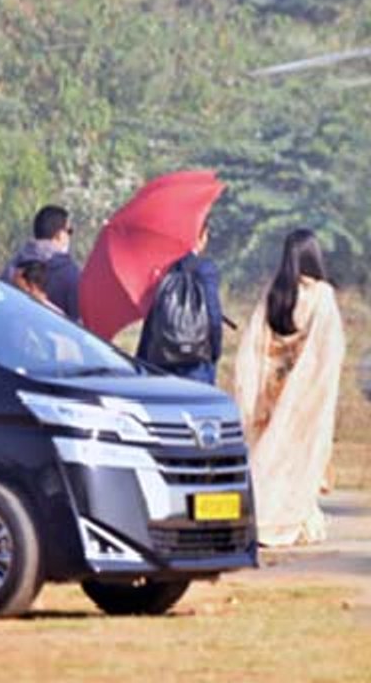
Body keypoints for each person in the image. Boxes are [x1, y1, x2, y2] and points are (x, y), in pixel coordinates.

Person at [234, 229, 346, 547]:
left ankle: (263, 517)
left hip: (270, 390)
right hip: (304, 395)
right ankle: (284, 522)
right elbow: (329, 349)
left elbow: (256, 344)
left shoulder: (275, 291)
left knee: (269, 455)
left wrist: (256, 391)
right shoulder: (322, 296)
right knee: (299, 460)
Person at [137, 219, 222, 384]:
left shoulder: (162, 267)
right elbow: (213, 317)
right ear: (202, 236)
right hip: (197, 362)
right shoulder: (205, 269)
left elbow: (152, 317)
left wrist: (142, 360)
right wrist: (214, 352)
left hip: (161, 360)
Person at [1, 205, 81, 320]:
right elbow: (78, 327)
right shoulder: (71, 274)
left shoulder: (14, 265)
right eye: (69, 231)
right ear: (59, 234)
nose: (70, 236)